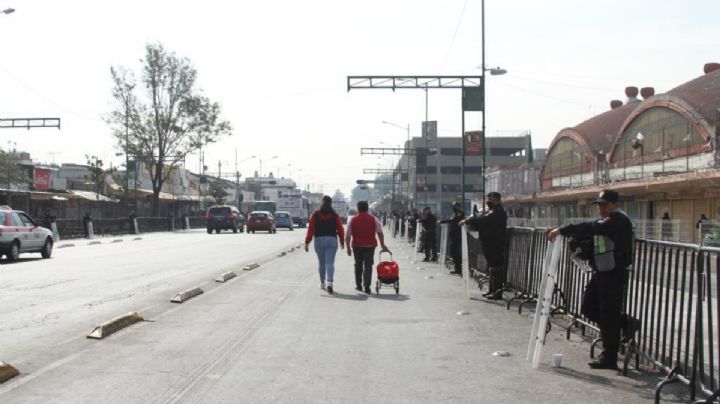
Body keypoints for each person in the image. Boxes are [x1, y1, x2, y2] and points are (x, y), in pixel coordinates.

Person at [545, 189, 634, 370]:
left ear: (614, 204)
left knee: (608, 315)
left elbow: (592, 228)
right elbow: (589, 231)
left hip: (614, 274)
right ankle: (625, 323)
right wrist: (563, 232)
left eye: (604, 205)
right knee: (588, 307)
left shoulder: (619, 220)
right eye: (599, 205)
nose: (601, 208)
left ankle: (609, 356)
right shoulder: (607, 221)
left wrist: (562, 230)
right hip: (601, 271)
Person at [461, 192, 507, 299]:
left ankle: (497, 292)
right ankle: (492, 290)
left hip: (495, 243)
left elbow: (481, 220)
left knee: (496, 267)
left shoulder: (498, 212)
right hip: (489, 242)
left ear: (496, 200)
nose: (488, 201)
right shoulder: (492, 212)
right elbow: (481, 221)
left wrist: (467, 220)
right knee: (492, 267)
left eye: (490, 199)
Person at [345, 201, 390, 294]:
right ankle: (367, 287)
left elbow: (348, 235)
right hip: (370, 246)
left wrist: (348, 248)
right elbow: (380, 232)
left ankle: (358, 285)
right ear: (367, 208)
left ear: (358, 209)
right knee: (368, 266)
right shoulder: (374, 219)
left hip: (357, 246)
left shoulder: (352, 220)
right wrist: (382, 245)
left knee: (358, 265)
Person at [305, 195, 345, 294]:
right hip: (332, 240)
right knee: (330, 263)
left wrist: (307, 242)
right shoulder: (335, 215)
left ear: (321, 203)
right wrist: (342, 241)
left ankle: (322, 283)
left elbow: (311, 229)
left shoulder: (315, 214)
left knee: (321, 263)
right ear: (331, 203)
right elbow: (340, 229)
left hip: (319, 240)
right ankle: (330, 283)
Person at [441, 202, 465, 275]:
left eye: (454, 206)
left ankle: (459, 269)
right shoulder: (454, 214)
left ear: (458, 207)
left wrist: (443, 221)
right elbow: (451, 220)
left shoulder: (460, 213)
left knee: (455, 252)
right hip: (453, 235)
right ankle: (457, 268)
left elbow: (453, 221)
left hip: (457, 235)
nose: (453, 208)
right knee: (453, 252)